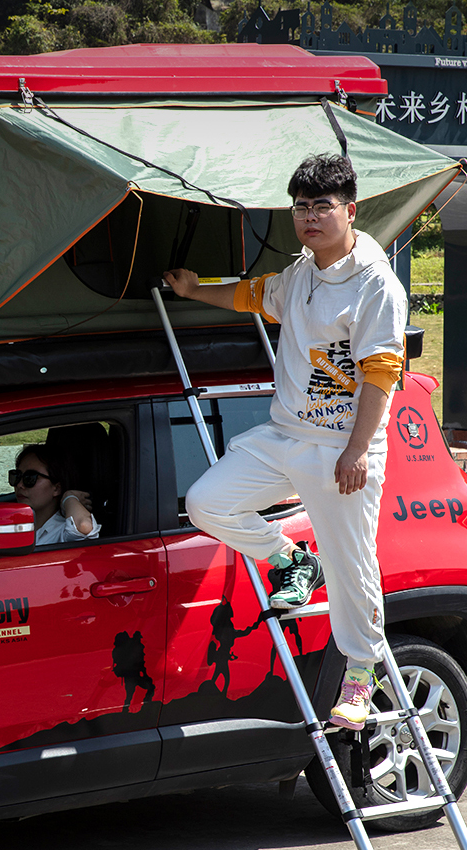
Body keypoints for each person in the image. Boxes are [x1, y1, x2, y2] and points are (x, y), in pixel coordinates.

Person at [164, 153, 407, 731]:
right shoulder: (301, 272)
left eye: (322, 206)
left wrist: (355, 450)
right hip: (285, 433)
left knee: (352, 566)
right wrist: (196, 291)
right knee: (206, 502)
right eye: (301, 207)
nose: (310, 217)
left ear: (350, 211)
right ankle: (291, 560)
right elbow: (254, 295)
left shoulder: (377, 283)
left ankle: (361, 672)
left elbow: (382, 372)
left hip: (344, 449)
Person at [10, 444, 101, 545]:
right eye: (16, 476)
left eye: (30, 478)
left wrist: (69, 497)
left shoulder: (63, 531)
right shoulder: (11, 523)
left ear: (57, 488)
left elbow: (84, 526)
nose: (19, 485)